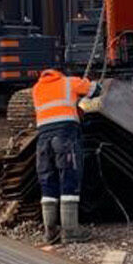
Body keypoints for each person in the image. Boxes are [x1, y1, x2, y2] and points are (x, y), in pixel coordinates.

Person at [31, 69, 96, 244]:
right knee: (69, 177)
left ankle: (50, 232)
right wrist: (85, 85)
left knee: (47, 180)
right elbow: (95, 90)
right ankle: (70, 231)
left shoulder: (36, 89)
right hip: (65, 135)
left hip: (43, 138)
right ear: (59, 74)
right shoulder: (70, 82)